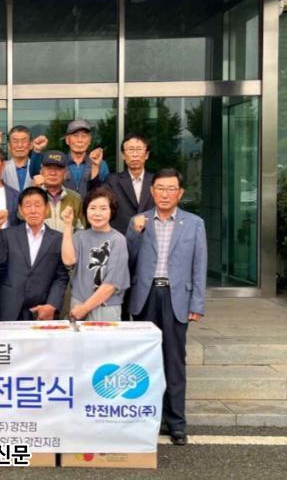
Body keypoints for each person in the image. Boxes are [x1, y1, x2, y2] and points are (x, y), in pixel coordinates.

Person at [127, 168, 207, 446]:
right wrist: (135, 234)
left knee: (174, 361)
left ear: (180, 193)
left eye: (171, 189)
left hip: (176, 298)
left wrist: (197, 303)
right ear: (152, 191)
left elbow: (199, 266)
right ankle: (147, 419)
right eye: (160, 188)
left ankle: (176, 423)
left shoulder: (194, 223)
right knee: (144, 362)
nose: (165, 194)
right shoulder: (139, 220)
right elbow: (128, 259)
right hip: (145, 296)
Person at [0, 187, 68, 322]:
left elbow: (61, 277)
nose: (33, 210)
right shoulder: (7, 234)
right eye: (27, 206)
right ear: (20, 210)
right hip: (9, 307)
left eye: (38, 205)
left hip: (42, 308)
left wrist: (52, 305)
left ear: (47, 208)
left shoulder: (58, 238)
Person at [61, 187, 130, 322]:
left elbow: (112, 284)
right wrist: (68, 225)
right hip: (78, 303)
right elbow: (68, 261)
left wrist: (85, 308)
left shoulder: (118, 240)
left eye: (103, 208)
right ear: (86, 211)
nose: (97, 213)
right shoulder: (79, 236)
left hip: (106, 306)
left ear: (111, 211)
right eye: (92, 208)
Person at [30, 119, 109, 197]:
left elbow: (105, 191)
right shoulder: (58, 162)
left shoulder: (100, 164)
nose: (80, 140)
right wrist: (37, 150)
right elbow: (35, 175)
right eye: (75, 136)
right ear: (67, 140)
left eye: (84, 136)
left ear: (89, 140)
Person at [103, 133, 155, 234]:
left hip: (150, 237)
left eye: (139, 149)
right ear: (123, 155)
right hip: (121, 238)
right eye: (130, 150)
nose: (135, 154)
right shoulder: (112, 181)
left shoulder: (156, 181)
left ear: (147, 155)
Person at [33, 150, 84, 232]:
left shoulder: (75, 198)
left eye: (58, 169)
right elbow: (21, 219)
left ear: (65, 172)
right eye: (49, 168)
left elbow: (81, 229)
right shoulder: (31, 194)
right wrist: (35, 191)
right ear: (41, 171)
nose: (53, 173)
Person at [0, 125, 44, 192]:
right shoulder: (0, 168)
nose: (20, 145)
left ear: (31, 145)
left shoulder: (41, 169)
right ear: (9, 146)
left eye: (24, 141)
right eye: (15, 141)